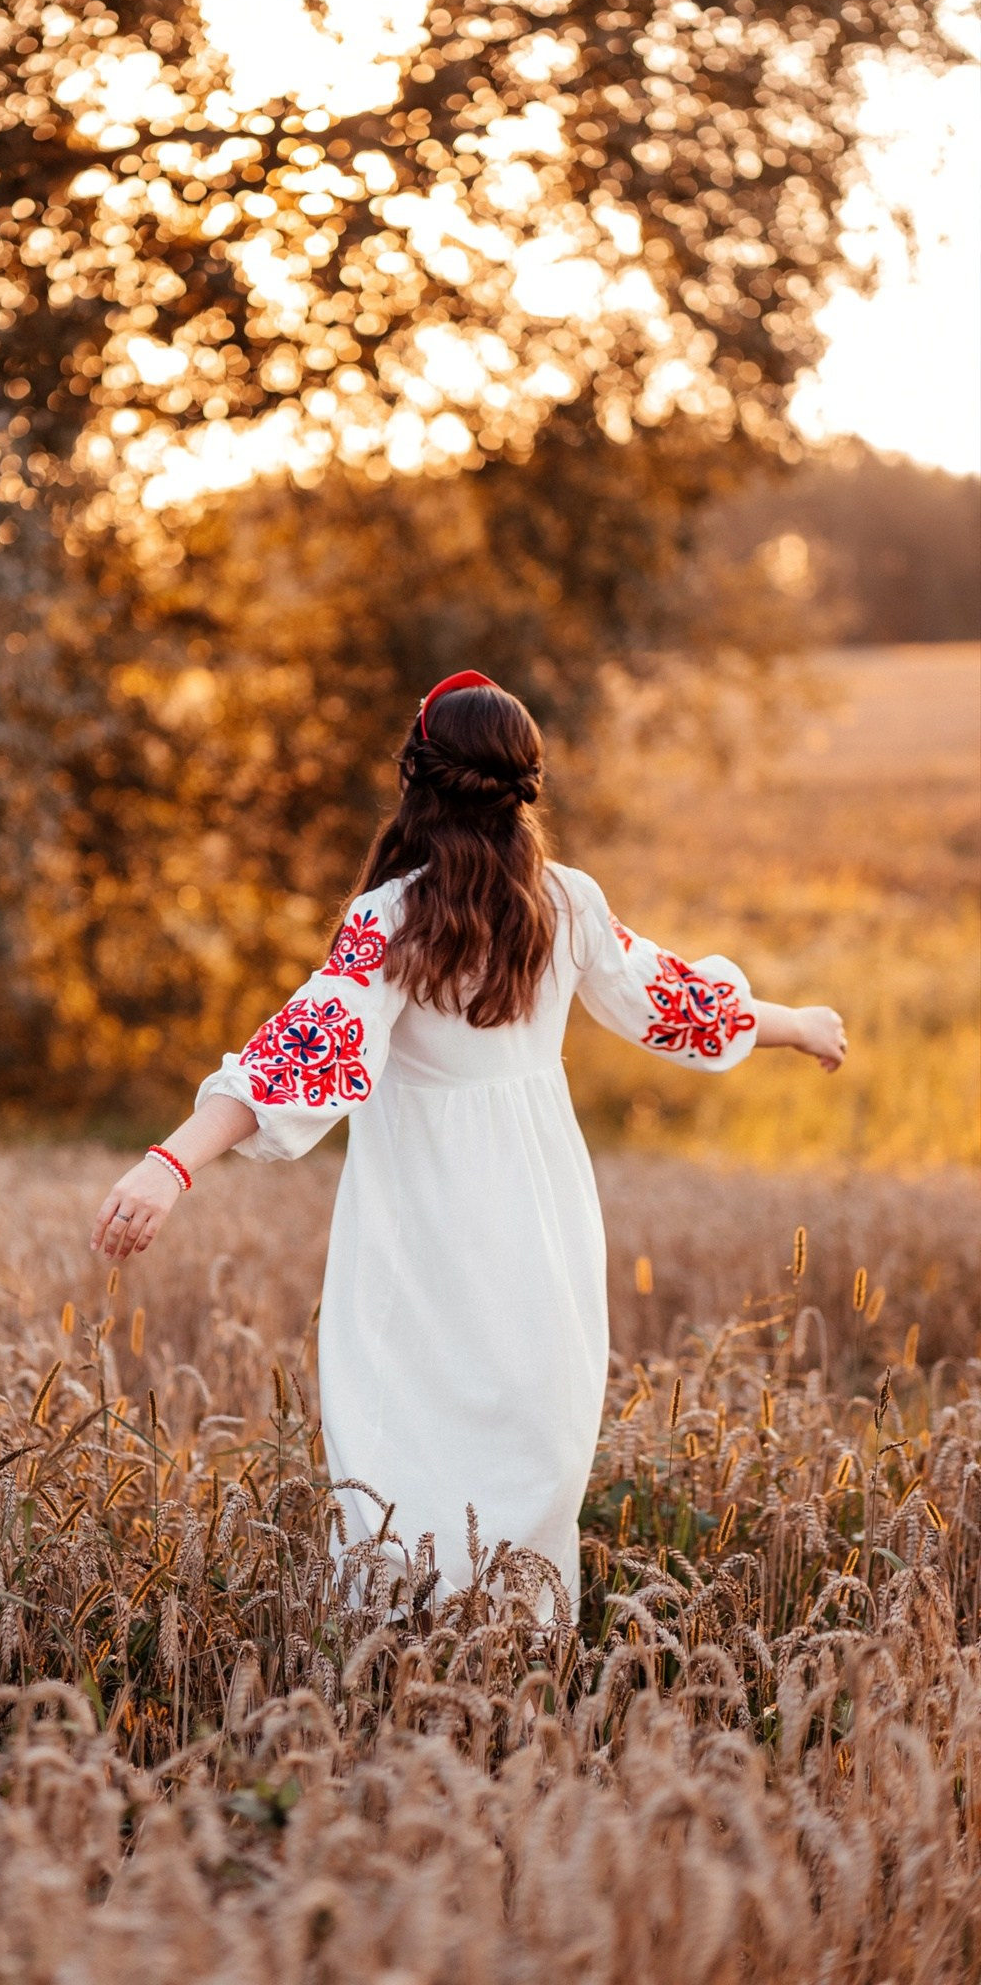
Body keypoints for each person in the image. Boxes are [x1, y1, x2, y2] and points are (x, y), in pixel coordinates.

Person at [89, 672, 847, 1612]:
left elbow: (301, 1054)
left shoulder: (394, 918)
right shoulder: (565, 903)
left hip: (423, 1220)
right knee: (533, 1428)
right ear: (522, 785)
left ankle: (396, 1664)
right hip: (541, 1214)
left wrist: (171, 1163)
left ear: (418, 780)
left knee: (403, 1432)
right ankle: (519, 1662)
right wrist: (796, 1020)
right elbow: (679, 1004)